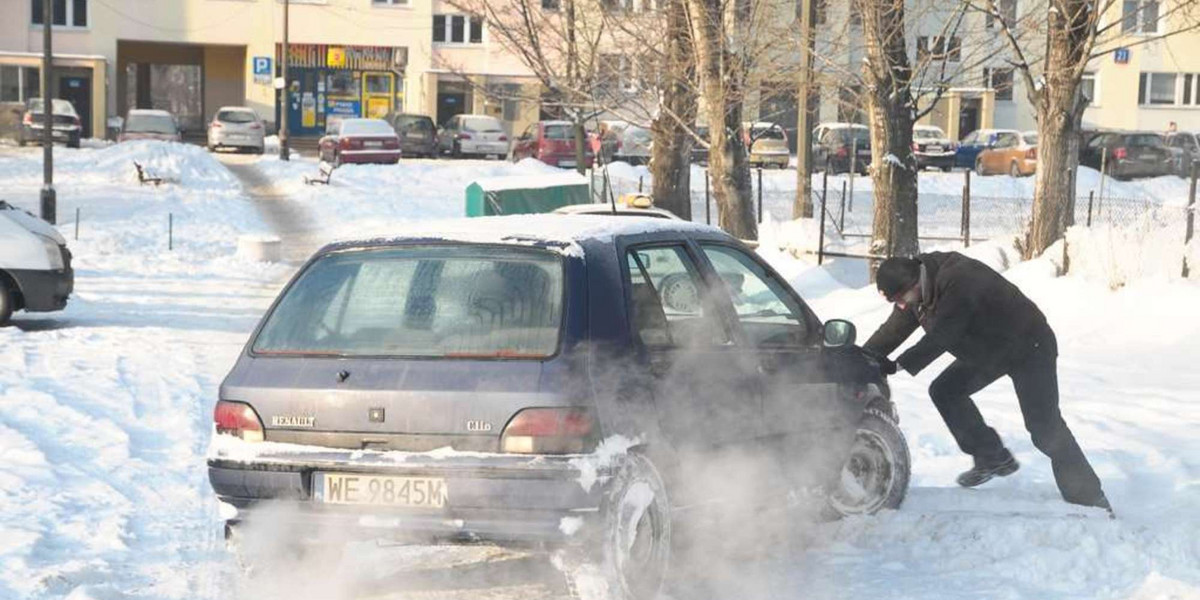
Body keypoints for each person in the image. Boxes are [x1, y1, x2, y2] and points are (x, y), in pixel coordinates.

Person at [864, 253, 1111, 512]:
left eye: (900, 299)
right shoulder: (918, 289)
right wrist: (864, 356)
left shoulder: (960, 278)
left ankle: (1090, 497)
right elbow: (894, 329)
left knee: (1044, 427)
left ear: (914, 283)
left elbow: (943, 335)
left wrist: (898, 364)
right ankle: (992, 457)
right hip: (989, 350)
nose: (901, 306)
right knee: (945, 391)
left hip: (1029, 345)